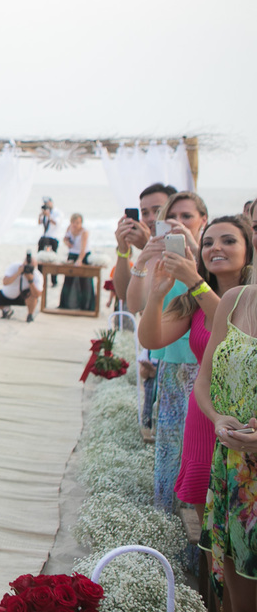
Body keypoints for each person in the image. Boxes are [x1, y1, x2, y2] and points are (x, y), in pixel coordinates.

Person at [141, 215, 253, 527]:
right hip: (204, 416)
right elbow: (150, 339)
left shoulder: (251, 299)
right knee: (210, 526)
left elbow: (234, 331)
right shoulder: (191, 301)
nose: (216, 247)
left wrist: (195, 281)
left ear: (248, 250)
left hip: (244, 419)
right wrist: (157, 294)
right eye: (208, 242)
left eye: (228, 241)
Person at [135, 191, 210, 512]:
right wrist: (140, 262)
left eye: (187, 217)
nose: (179, 224)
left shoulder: (210, 271)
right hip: (174, 369)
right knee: (171, 454)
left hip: (211, 384)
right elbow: (145, 322)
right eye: (172, 218)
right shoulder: (167, 267)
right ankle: (168, 522)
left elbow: (222, 322)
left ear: (202, 220)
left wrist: (196, 258)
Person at [194, 281, 257, 605]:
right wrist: (217, 418)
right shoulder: (234, 300)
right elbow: (203, 381)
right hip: (233, 468)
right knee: (239, 601)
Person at [112, 183, 176, 314]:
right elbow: (125, 294)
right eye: (145, 213)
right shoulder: (148, 251)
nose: (151, 218)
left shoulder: (184, 248)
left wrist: (146, 246)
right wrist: (123, 250)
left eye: (158, 211)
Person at [0, 252, 43, 322]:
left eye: (31, 267)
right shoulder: (15, 267)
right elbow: (5, 282)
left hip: (23, 297)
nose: (28, 269)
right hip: (6, 294)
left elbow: (37, 294)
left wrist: (30, 281)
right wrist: (18, 273)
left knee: (33, 297)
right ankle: (6, 309)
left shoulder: (37, 275)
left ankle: (30, 315)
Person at [57, 213, 94, 311]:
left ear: (81, 223)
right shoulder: (69, 228)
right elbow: (65, 239)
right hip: (72, 254)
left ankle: (85, 305)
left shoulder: (84, 232)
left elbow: (83, 248)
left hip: (83, 255)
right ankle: (65, 304)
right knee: (68, 279)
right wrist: (67, 242)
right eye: (73, 222)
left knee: (84, 281)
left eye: (77, 223)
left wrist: (80, 260)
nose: (75, 225)